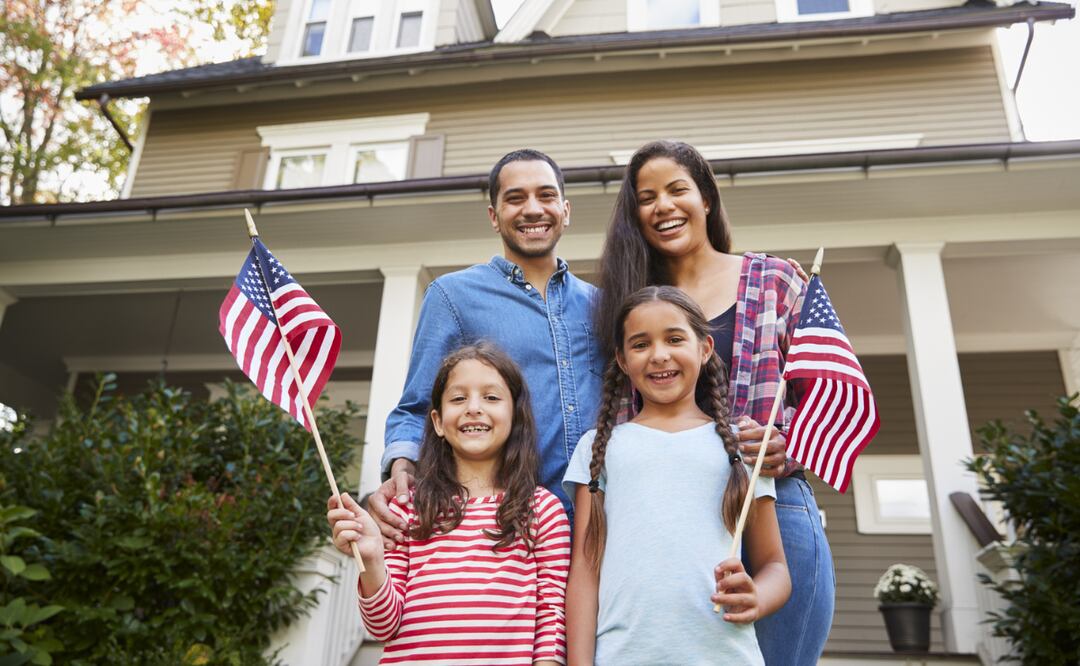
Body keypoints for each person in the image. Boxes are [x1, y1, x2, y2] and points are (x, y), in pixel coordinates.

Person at [591, 140, 834, 665]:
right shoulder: (630, 302)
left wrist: (787, 441)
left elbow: (826, 397)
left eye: (677, 190)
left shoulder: (775, 281)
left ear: (705, 197)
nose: (663, 206)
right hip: (665, 523)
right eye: (646, 197)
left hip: (772, 507)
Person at [369, 149, 602, 545]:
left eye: (546, 195)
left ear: (565, 210)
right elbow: (417, 407)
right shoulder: (453, 296)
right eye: (515, 198)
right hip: (506, 531)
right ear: (494, 216)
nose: (533, 209)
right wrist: (402, 467)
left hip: (599, 527)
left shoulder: (602, 305)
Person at [564, 286, 790, 664]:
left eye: (674, 339)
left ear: (705, 348)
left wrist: (758, 596)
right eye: (641, 344)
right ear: (622, 359)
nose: (659, 355)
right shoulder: (597, 448)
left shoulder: (742, 447)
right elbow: (585, 574)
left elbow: (775, 566)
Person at [327, 342, 570, 665]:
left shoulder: (543, 509)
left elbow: (552, 620)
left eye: (491, 397)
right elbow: (382, 626)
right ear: (438, 421)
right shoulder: (407, 508)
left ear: (515, 416)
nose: (473, 408)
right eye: (458, 398)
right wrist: (371, 560)